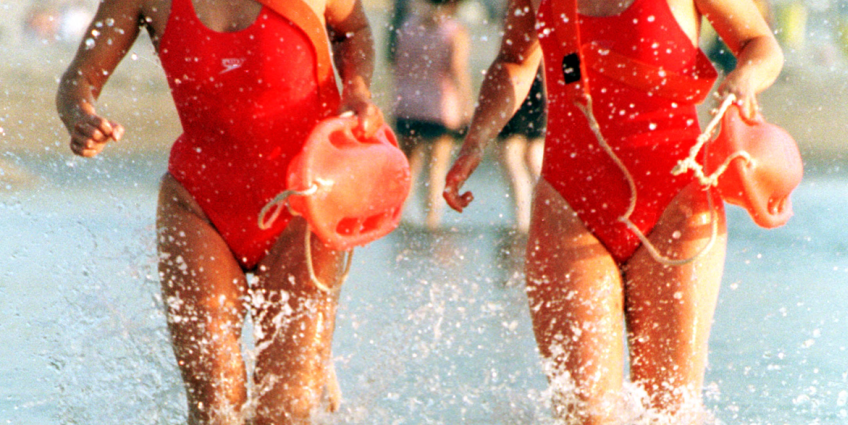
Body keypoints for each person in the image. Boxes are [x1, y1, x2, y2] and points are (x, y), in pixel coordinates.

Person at [443, 0, 783, 421]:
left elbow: (760, 43)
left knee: (670, 411)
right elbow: (514, 62)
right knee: (586, 414)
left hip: (677, 205)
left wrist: (746, 78)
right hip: (570, 202)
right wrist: (475, 141)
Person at [55, 0, 383, 423]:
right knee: (217, 406)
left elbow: (353, 29)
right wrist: (79, 116)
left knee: (284, 410)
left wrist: (357, 90)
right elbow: (77, 79)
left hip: (306, 203)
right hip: (198, 204)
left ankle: (313, 364)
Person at [391, 0, 472, 230]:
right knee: (436, 168)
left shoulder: (407, 27)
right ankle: (431, 221)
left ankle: (398, 219)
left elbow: (397, 66)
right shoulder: (454, 31)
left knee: (407, 167)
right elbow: (457, 70)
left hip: (406, 103)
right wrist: (467, 105)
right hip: (440, 107)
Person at [494, 68, 545, 234]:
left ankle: (523, 222)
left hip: (521, 81)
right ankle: (540, 219)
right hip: (543, 84)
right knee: (533, 157)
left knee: (513, 157)